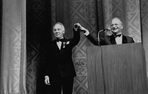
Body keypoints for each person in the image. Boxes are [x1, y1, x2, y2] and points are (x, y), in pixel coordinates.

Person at [44, 22, 81, 94]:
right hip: (54, 74)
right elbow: (48, 61)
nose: (56, 31)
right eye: (55, 30)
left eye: (58, 29)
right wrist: (47, 75)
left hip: (67, 73)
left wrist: (76, 30)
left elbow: (76, 40)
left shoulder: (68, 42)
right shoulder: (50, 45)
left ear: (63, 31)